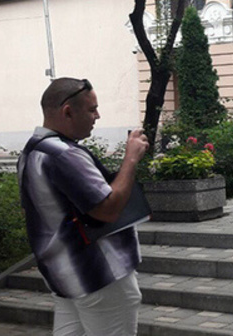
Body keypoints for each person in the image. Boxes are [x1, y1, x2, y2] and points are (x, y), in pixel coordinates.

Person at [17, 77, 149, 336]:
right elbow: (107, 209)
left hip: (64, 275)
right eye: (91, 109)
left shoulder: (31, 152)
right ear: (68, 111)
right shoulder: (65, 155)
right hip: (99, 276)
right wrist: (131, 158)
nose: (97, 116)